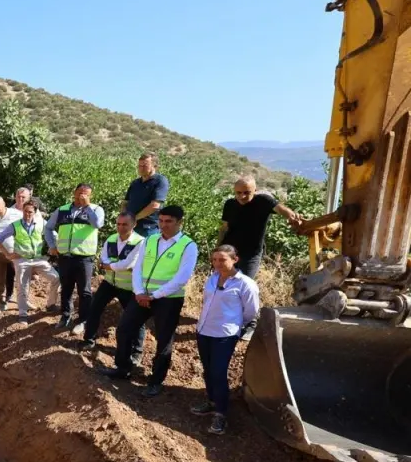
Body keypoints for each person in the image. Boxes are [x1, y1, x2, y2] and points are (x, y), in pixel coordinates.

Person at [100, 205, 198, 397]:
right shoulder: (150, 240)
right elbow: (138, 268)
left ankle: (155, 380)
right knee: (124, 328)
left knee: (164, 340)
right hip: (141, 294)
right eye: (161, 221)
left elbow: (181, 278)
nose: (163, 225)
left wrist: (153, 296)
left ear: (180, 222)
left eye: (168, 221)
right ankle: (123, 368)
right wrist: (138, 292)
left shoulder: (188, 246)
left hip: (168, 299)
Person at [217, 175, 300, 339]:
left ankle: (251, 325)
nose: (241, 196)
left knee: (246, 288)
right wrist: (218, 250)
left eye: (246, 193)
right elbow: (224, 227)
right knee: (225, 286)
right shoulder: (230, 204)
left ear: (254, 190)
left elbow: (282, 209)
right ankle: (230, 320)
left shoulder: (264, 201)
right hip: (229, 253)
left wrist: (292, 216)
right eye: (238, 193)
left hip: (251, 253)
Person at [192, 245, 260, 435]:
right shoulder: (212, 278)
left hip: (225, 334)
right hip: (204, 330)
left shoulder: (245, 284)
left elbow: (251, 311)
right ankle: (211, 402)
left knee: (218, 373)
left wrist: (237, 326)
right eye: (214, 260)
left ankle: (221, 414)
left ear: (235, 260)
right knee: (208, 370)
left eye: (222, 260)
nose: (217, 264)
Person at [79, 212, 147, 367]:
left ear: (134, 225)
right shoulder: (111, 239)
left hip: (129, 287)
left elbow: (130, 264)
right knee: (94, 309)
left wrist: (110, 266)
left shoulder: (140, 242)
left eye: (125, 224)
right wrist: (114, 266)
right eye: (118, 224)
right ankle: (89, 340)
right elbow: (103, 259)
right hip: (109, 282)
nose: (121, 228)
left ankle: (136, 352)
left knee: (136, 319)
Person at [45, 183, 105, 329]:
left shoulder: (96, 209)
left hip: (84, 258)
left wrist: (87, 207)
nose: (82, 196)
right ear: (74, 192)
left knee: (84, 290)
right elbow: (48, 227)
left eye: (86, 194)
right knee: (66, 288)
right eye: (79, 192)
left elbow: (97, 224)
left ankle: (84, 320)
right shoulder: (63, 210)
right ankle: (66, 316)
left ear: (90, 196)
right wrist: (52, 246)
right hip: (65, 256)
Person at [0, 200, 60, 319]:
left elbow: (54, 235)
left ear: (35, 212)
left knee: (56, 278)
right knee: (22, 286)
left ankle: (51, 305)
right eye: (25, 211)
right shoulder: (15, 225)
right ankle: (23, 314)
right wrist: (8, 254)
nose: (27, 214)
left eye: (30, 212)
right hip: (22, 260)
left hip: (38, 259)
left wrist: (55, 246)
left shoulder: (42, 223)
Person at [121, 153, 170, 237]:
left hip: (148, 228)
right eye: (139, 166)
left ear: (155, 166)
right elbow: (125, 202)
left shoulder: (160, 181)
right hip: (130, 226)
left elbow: (155, 205)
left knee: (147, 250)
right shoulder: (135, 183)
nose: (141, 168)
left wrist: (134, 219)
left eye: (145, 166)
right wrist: (124, 218)